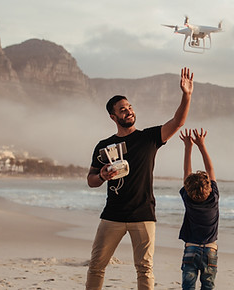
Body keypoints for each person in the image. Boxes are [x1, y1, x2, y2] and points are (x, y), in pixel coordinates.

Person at [85, 67, 194, 290]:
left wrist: (186, 95)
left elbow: (178, 121)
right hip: (112, 214)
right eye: (122, 110)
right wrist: (103, 176)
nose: (128, 111)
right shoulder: (103, 145)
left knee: (144, 269)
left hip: (143, 214)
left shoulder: (149, 138)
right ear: (113, 116)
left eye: (130, 107)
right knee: (96, 266)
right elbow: (91, 179)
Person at [178, 128, 219, 290]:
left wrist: (188, 148)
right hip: (210, 250)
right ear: (209, 187)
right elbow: (211, 170)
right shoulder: (213, 197)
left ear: (187, 188)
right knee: (208, 286)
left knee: (188, 286)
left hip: (191, 249)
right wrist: (202, 145)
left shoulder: (188, 199)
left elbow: (186, 172)